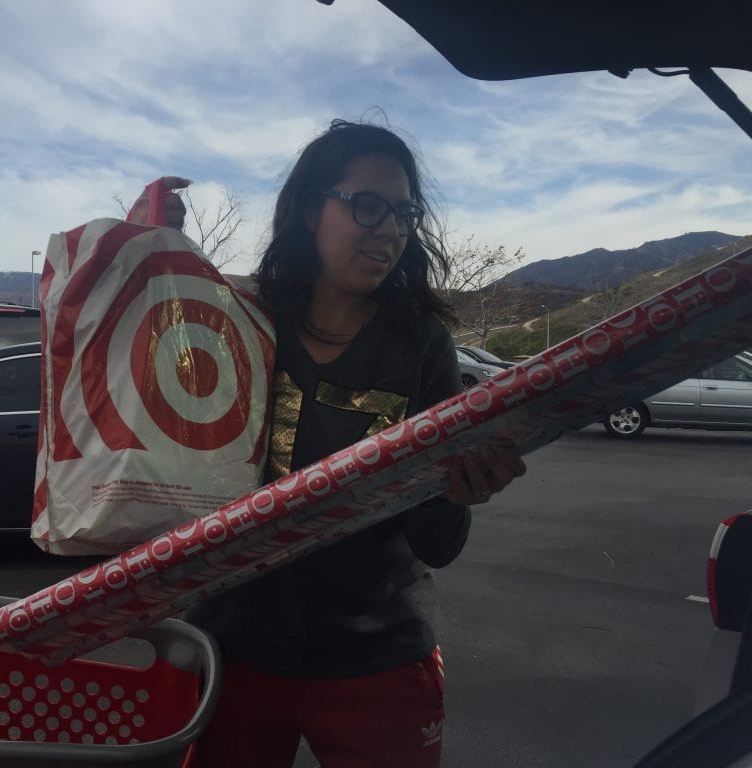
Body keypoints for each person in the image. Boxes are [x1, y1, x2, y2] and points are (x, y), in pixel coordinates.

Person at [133, 119, 525, 767]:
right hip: (234, 649)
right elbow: (148, 401)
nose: (392, 230)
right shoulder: (241, 320)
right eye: (367, 204)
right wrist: (142, 254)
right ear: (311, 210)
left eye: (404, 212)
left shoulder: (421, 342)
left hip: (378, 660)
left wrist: (458, 490)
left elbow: (438, 545)